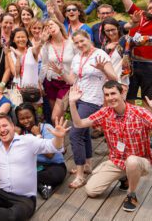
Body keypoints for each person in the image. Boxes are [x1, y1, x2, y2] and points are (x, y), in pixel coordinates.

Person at [0, 114, 69, 221]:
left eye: (5, 126)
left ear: (12, 126)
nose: (2, 130)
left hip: (25, 199)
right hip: (3, 193)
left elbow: (53, 146)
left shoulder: (28, 141)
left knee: (12, 216)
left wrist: (59, 137)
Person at [69, 81, 152, 212]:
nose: (110, 98)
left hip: (140, 161)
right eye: (106, 95)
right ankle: (125, 177)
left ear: (122, 93)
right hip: (117, 161)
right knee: (91, 190)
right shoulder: (105, 113)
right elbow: (79, 124)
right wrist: (72, 103)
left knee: (132, 161)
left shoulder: (140, 112)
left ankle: (131, 194)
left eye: (113, 93)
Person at [49, 30, 117, 188]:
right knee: (83, 132)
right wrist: (61, 73)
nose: (80, 45)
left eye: (82, 41)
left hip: (93, 100)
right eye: (77, 43)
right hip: (78, 98)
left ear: (89, 39)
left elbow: (114, 78)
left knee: (75, 134)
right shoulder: (77, 57)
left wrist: (103, 69)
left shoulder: (100, 54)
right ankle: (87, 164)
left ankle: (80, 175)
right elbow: (72, 80)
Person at [107, 0, 152, 110]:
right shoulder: (139, 15)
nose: (150, 10)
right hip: (130, 64)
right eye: (150, 7)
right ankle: (133, 125)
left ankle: (148, 127)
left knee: (148, 99)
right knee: (129, 97)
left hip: (149, 65)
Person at [15, 103, 67, 200]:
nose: (26, 121)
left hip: (54, 166)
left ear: (34, 115)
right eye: (22, 119)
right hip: (35, 167)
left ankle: (37, 185)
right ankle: (42, 187)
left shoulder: (46, 128)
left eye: (28, 117)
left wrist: (38, 135)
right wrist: (15, 137)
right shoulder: (20, 132)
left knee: (55, 177)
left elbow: (50, 155)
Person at [35, 18, 75, 121]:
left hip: (67, 83)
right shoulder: (47, 45)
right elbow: (44, 65)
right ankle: (60, 136)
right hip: (51, 82)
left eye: (51, 24)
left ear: (59, 25)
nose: (50, 28)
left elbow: (78, 63)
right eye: (47, 27)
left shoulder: (72, 42)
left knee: (55, 117)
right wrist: (39, 82)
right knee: (56, 118)